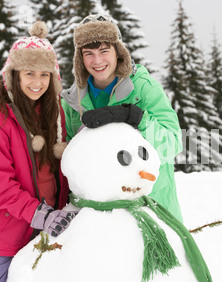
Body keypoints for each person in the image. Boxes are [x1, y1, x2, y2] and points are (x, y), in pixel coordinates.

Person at [0, 21, 76, 282]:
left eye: (44, 74)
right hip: (5, 234)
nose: (37, 83)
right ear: (13, 74)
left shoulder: (54, 113)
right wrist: (40, 214)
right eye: (29, 73)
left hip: (49, 229)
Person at [61, 14, 184, 222]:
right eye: (88, 53)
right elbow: (70, 161)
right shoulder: (73, 102)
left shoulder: (143, 88)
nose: (97, 60)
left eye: (104, 51)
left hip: (152, 208)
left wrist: (138, 119)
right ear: (80, 59)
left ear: (118, 52)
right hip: (102, 215)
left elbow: (173, 143)